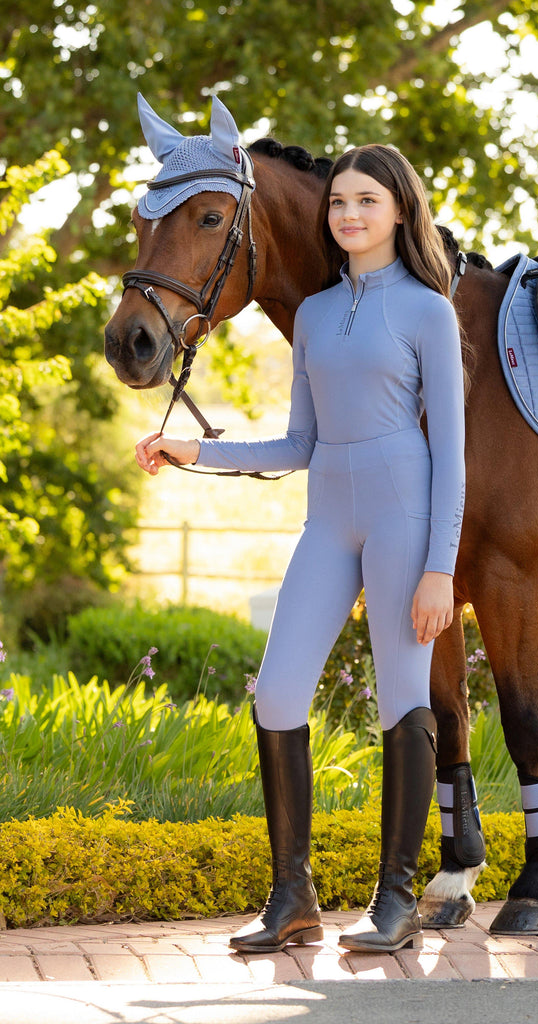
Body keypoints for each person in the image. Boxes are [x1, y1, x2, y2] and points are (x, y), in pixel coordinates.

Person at [135, 144, 466, 954]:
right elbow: (296, 445)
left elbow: (453, 451)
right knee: (277, 694)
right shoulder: (315, 315)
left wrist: (440, 569)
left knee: (402, 699)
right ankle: (293, 898)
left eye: (367, 202)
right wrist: (193, 450)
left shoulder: (428, 309)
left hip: (405, 518)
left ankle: (394, 901)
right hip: (329, 520)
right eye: (340, 203)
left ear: (399, 212)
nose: (349, 215)